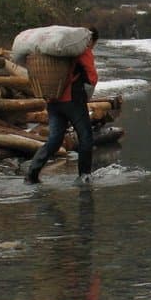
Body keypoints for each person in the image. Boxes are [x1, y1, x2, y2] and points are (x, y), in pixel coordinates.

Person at [25, 27, 99, 185]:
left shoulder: (53, 51)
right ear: (91, 41)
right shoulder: (81, 50)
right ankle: (84, 175)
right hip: (73, 100)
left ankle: (32, 173)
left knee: (55, 139)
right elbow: (92, 76)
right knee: (85, 137)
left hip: (53, 100)